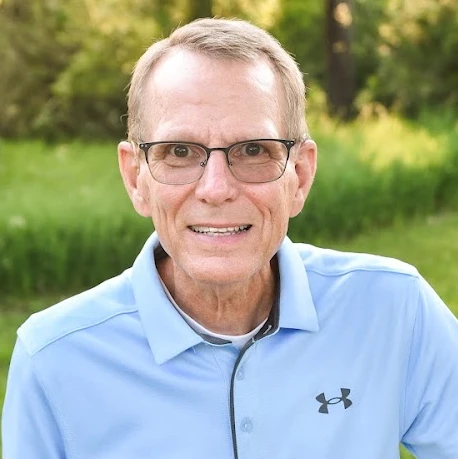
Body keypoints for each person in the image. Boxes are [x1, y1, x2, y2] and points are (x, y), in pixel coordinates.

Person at [2, 17, 458, 459]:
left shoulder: (394, 309)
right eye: (180, 151)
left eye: (253, 150)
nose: (216, 189)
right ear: (135, 177)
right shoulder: (53, 359)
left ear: (300, 175)